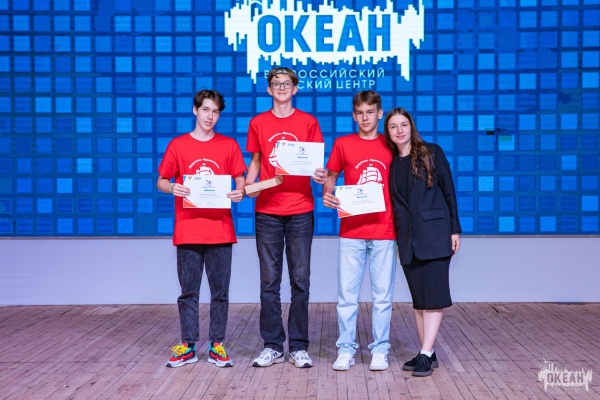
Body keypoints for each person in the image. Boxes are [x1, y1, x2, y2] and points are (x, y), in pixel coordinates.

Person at [157, 89, 246, 368]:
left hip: (220, 229)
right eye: (206, 110)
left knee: (220, 292)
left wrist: (240, 191)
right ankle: (189, 345)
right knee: (188, 292)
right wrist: (172, 187)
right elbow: (161, 180)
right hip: (188, 230)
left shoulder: (229, 145)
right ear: (195, 110)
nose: (210, 116)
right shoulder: (178, 145)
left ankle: (217, 345)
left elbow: (240, 178)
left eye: (215, 112)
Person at [246, 67, 327, 368]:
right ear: (269, 89)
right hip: (267, 210)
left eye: (287, 83)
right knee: (269, 281)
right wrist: (248, 184)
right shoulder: (258, 122)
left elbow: (316, 165)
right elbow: (256, 161)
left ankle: (298, 346)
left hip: (300, 209)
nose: (281, 87)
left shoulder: (308, 122)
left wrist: (320, 175)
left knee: (300, 280)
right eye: (276, 83)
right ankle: (272, 345)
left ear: (295, 88)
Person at [322, 90, 397, 371]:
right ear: (354, 116)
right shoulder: (343, 144)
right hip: (351, 231)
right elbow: (331, 177)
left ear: (380, 113)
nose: (365, 118)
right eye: (360, 113)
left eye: (370, 112)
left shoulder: (391, 143)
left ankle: (380, 349)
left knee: (382, 297)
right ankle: (345, 349)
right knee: (347, 297)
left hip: (385, 230)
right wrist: (328, 193)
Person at [384, 108, 461, 377]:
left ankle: (426, 353)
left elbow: (449, 192)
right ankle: (427, 351)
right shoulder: (392, 163)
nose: (399, 130)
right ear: (388, 132)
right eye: (393, 126)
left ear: (411, 126)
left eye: (403, 125)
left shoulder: (432, 152)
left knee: (433, 298)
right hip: (408, 240)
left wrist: (454, 229)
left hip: (435, 235)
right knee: (419, 301)